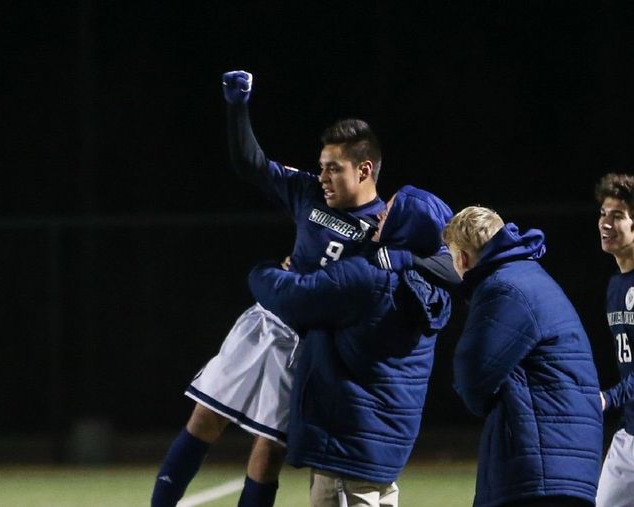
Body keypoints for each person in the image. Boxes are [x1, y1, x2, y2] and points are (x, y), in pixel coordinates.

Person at [151, 70, 387, 507]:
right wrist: (237, 107)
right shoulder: (308, 191)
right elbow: (251, 164)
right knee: (204, 419)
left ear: (365, 169)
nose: (323, 176)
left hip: (310, 343)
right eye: (322, 167)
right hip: (267, 323)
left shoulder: (385, 226)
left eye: (334, 169)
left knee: (269, 451)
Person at [247, 185, 455, 507]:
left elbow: (292, 298)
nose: (380, 214)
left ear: (407, 224)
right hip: (387, 445)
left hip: (347, 444)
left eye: (391, 210)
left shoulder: (367, 277)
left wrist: (262, 272)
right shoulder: (432, 285)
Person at [442, 206, 602, 507]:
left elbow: (471, 377)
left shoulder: (502, 287)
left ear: (462, 258)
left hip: (540, 465)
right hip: (566, 457)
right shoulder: (530, 274)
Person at [594, 173, 634, 507]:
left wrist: (609, 398)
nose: (605, 223)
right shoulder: (615, 286)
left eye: (617, 215)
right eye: (603, 214)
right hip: (630, 434)